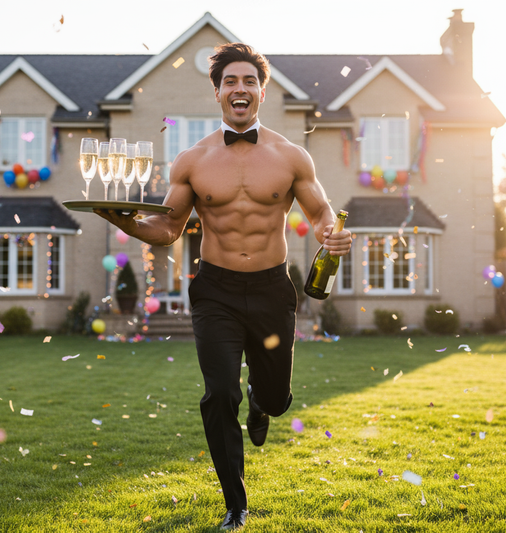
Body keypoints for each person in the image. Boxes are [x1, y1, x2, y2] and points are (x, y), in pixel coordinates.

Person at [94, 42, 352, 530]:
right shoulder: (191, 161)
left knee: (277, 399)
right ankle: (236, 503)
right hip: (216, 292)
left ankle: (262, 399)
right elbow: (168, 229)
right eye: (230, 81)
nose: (240, 89)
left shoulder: (291, 155)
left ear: (261, 91)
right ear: (217, 93)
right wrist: (123, 221)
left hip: (274, 290)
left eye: (249, 81)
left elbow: (319, 214)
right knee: (217, 395)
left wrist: (331, 236)